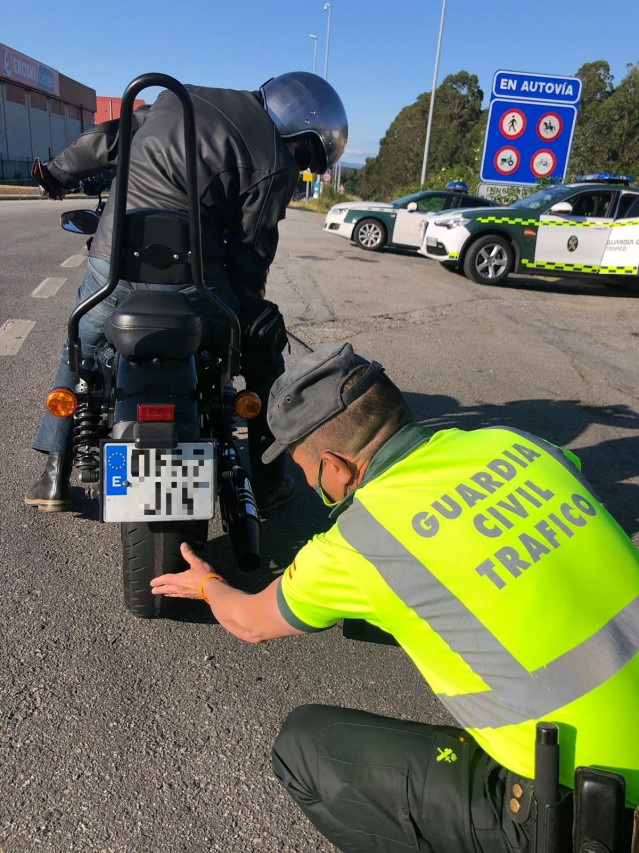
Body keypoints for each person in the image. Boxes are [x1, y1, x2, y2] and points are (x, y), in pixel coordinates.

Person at [150, 341, 639, 852]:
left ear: (333, 468)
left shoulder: (356, 544)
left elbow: (249, 621)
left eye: (303, 468)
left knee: (305, 746)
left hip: (588, 813)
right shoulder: (516, 443)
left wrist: (207, 584)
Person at [25, 72, 348, 517]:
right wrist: (250, 309)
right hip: (197, 286)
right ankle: (270, 481)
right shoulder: (276, 162)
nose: (302, 163)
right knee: (264, 349)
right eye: (307, 151)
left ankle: (54, 475)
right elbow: (251, 252)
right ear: (300, 126)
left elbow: (106, 139)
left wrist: (57, 173)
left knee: (79, 351)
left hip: (114, 267)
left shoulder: (176, 101)